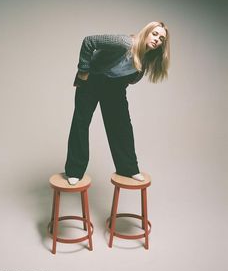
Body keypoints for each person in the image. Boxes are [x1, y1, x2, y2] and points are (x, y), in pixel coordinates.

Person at [65, 21, 170, 185]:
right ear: (146, 32)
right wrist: (83, 70)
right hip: (93, 79)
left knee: (122, 126)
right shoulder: (124, 43)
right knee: (81, 123)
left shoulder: (147, 58)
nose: (157, 39)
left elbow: (130, 76)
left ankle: (128, 169)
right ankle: (74, 171)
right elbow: (89, 41)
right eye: (155, 34)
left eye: (162, 38)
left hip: (114, 87)